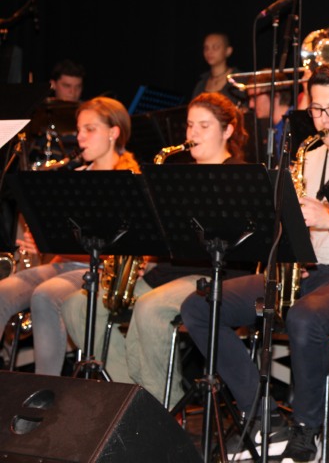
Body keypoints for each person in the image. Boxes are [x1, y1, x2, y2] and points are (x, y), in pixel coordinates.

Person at [180, 62, 329, 462]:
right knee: (201, 306)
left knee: (305, 317)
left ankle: (308, 432)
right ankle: (264, 417)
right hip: (306, 273)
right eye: (316, 109)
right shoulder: (308, 158)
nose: (323, 120)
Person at [62, 92, 251, 403]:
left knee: (150, 309)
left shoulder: (241, 176)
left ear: (227, 130)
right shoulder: (175, 176)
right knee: (77, 306)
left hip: (215, 275)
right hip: (165, 272)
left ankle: (165, 407)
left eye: (203, 126)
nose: (192, 134)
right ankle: (128, 397)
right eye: (190, 125)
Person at [0, 97, 139, 375]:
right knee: (2, 292)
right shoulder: (76, 176)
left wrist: (51, 242)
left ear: (113, 132)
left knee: (45, 296)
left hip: (101, 271)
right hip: (65, 264)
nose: (80, 137)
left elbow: (125, 249)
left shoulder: (130, 178)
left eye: (90, 129)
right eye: (79, 130)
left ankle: (44, 389)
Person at [192, 32, 246, 108]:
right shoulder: (201, 84)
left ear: (228, 51)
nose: (209, 52)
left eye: (215, 47)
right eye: (206, 48)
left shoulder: (239, 80)